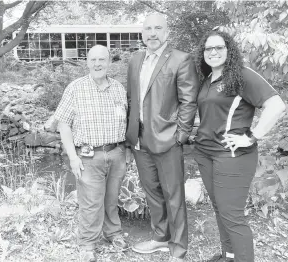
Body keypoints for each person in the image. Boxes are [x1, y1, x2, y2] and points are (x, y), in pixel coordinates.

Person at [193, 30, 286, 262]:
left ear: (229, 50)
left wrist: (252, 136)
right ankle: (229, 255)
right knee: (219, 209)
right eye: (208, 48)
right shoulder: (208, 79)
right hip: (206, 153)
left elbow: (276, 105)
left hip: (231, 155)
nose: (213, 52)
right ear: (203, 53)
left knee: (232, 216)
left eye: (219, 47)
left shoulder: (242, 75)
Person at [126, 13, 199, 262]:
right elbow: (131, 99)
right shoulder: (136, 59)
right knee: (153, 193)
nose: (152, 33)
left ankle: (178, 249)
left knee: (174, 196)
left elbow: (189, 101)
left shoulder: (180, 59)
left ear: (167, 32)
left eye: (158, 28)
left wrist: (180, 136)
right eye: (148, 28)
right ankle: (159, 238)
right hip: (140, 140)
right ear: (142, 33)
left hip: (168, 140)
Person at [54, 45, 128, 262]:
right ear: (87, 62)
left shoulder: (118, 88)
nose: (97, 64)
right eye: (93, 60)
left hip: (115, 152)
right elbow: (63, 124)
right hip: (88, 155)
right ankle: (88, 243)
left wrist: (126, 152)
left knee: (111, 199)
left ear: (109, 62)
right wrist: (72, 157)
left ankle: (113, 233)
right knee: (90, 202)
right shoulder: (75, 88)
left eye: (102, 60)